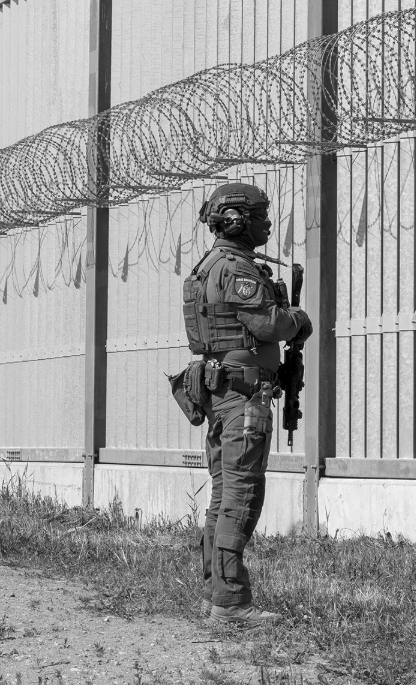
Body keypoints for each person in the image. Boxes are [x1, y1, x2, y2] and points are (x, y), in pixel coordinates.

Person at [181, 183, 312, 624]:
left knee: (224, 493)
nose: (268, 223)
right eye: (260, 215)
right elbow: (267, 324)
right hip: (242, 397)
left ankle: (216, 592)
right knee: (242, 495)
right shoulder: (236, 267)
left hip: (223, 393)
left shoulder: (208, 266)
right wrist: (298, 319)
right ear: (237, 220)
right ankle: (231, 603)